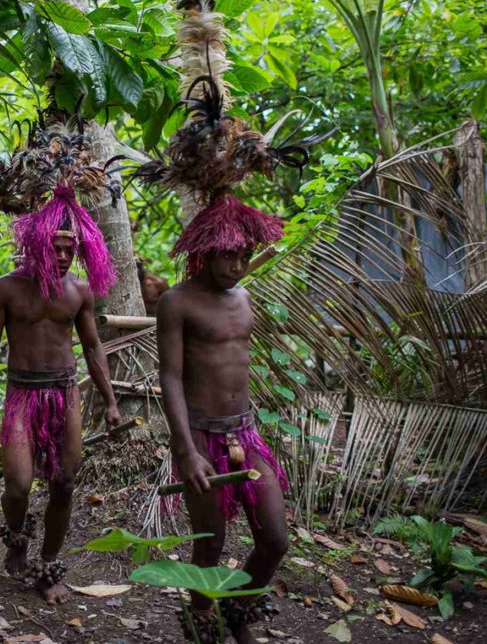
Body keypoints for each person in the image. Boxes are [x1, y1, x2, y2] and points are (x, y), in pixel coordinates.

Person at [0, 184, 122, 604]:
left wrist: (109, 401)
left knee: (65, 482)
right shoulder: (6, 288)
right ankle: (17, 536)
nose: (61, 255)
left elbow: (92, 347)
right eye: (54, 247)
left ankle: (49, 563)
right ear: (37, 244)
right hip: (21, 394)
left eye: (68, 249)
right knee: (18, 485)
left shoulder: (78, 291)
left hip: (64, 392)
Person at [157, 196, 289, 644]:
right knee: (210, 542)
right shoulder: (176, 302)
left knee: (274, 539)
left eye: (244, 256)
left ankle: (237, 609)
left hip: (245, 430)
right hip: (200, 433)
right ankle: (201, 621)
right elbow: (170, 377)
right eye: (230, 255)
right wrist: (186, 450)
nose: (237, 265)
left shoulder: (245, 296)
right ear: (207, 250)